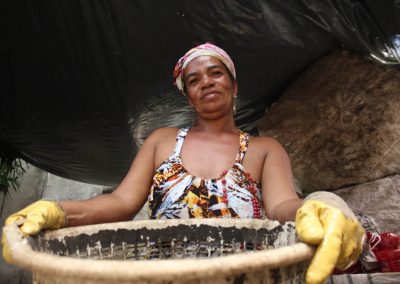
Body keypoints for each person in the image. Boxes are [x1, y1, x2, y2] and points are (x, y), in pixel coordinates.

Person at [2, 43, 365, 284]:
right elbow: (121, 203)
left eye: (216, 73)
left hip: (245, 276)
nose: (206, 82)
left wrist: (322, 203)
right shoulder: (162, 141)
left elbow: (284, 205)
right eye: (194, 79)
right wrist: (60, 211)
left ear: (234, 85)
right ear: (187, 95)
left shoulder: (264, 149)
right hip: (166, 274)